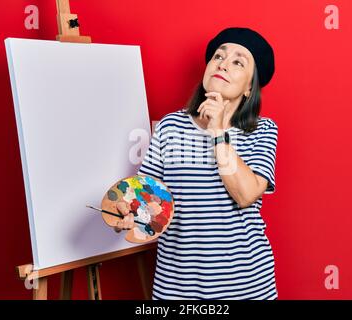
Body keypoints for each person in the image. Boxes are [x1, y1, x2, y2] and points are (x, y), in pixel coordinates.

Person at [115, 27, 279, 300]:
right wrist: (128, 213)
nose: (223, 64)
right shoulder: (170, 127)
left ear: (250, 86)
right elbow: (149, 200)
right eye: (218, 56)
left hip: (248, 287)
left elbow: (246, 194)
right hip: (177, 288)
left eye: (238, 62)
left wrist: (217, 132)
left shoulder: (262, 130)